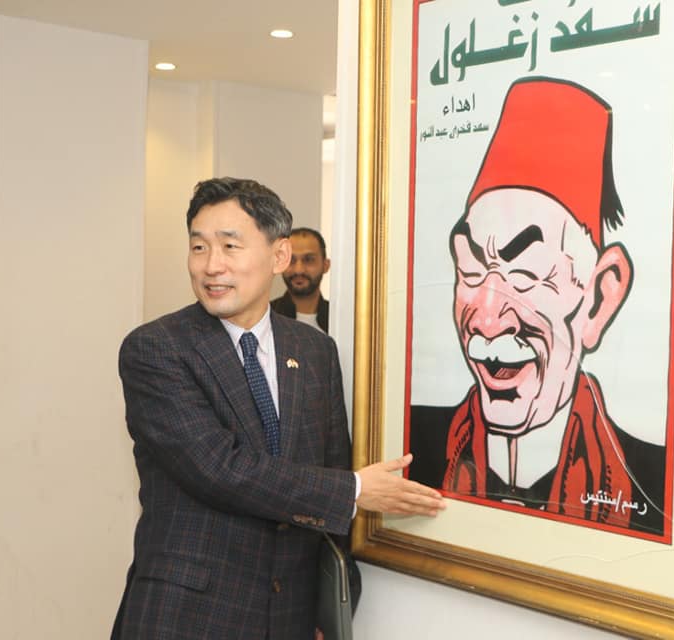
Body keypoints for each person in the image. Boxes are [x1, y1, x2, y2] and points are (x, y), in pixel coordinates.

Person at [112, 177, 445, 639]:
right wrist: (353, 491)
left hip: (289, 617)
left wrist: (332, 605)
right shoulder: (156, 348)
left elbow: (331, 464)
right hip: (188, 616)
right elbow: (219, 469)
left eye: (230, 246)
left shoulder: (314, 350)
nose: (211, 266)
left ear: (279, 256)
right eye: (198, 247)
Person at [408, 78, 665, 534]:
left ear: (600, 298)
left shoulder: (652, 481)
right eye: (471, 271)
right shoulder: (416, 449)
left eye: (525, 275)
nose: (487, 320)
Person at [271, 227, 331, 333]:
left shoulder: (340, 319)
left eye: (308, 260)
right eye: (291, 260)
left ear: (325, 265)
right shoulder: (264, 318)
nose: (298, 270)